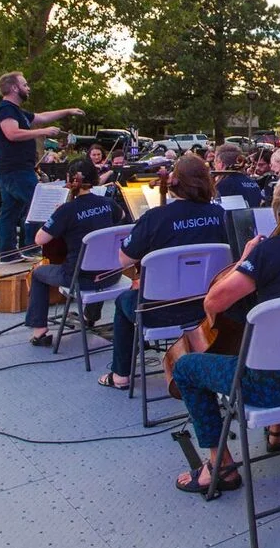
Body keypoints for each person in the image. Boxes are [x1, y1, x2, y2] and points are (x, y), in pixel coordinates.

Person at [171, 170, 280, 494]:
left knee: (186, 368)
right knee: (279, 337)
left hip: (269, 387)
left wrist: (245, 260)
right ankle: (276, 430)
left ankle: (219, 466)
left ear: (277, 206)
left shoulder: (268, 252)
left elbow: (213, 302)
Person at [95, 155, 224, 381]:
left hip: (159, 311)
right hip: (211, 307)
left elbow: (124, 259)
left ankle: (121, 375)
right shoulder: (221, 215)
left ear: (175, 182)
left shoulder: (154, 218)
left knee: (123, 301)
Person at [20, 159, 125, 345]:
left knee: (38, 274)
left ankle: (39, 331)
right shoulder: (108, 203)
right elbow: (122, 216)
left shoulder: (67, 210)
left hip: (79, 279)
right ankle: (90, 316)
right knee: (97, 259)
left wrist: (56, 216)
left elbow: (39, 239)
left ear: (70, 180)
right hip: (111, 275)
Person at [0, 70, 84, 257]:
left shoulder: (17, 111)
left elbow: (42, 117)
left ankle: (8, 253)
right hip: (14, 169)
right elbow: (12, 133)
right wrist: (43, 132)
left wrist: (67, 111)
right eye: (24, 85)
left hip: (14, 168)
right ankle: (31, 247)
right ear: (14, 88)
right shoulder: (6, 109)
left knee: (10, 210)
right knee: (38, 203)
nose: (28, 88)